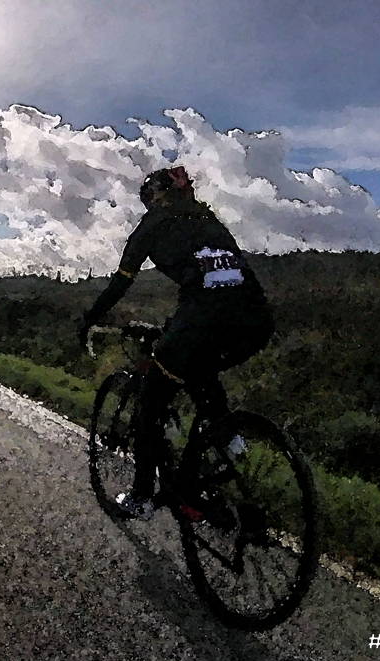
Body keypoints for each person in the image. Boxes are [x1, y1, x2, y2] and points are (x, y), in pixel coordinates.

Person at [78, 166, 274, 520]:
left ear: (155, 197)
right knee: (199, 368)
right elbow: (221, 281)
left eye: (147, 200)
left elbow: (121, 284)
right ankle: (226, 440)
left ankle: (140, 497)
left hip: (204, 319)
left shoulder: (152, 226)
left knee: (150, 403)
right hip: (256, 320)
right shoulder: (211, 221)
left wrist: (89, 319)